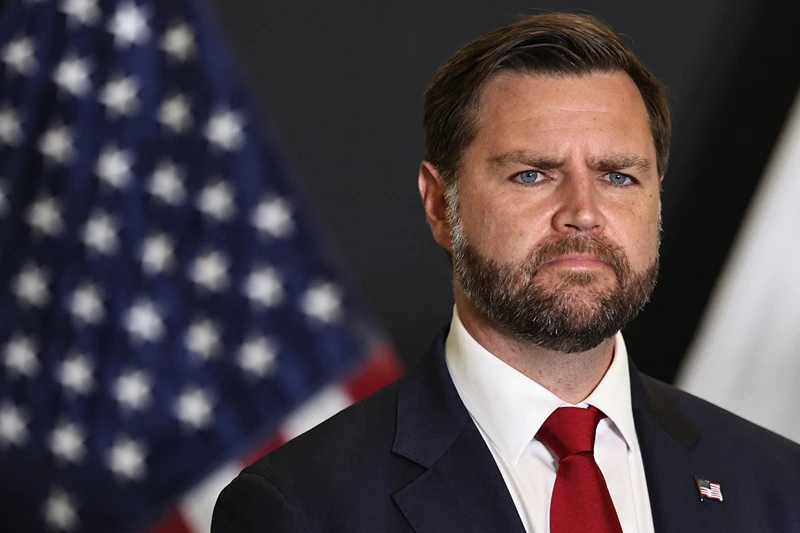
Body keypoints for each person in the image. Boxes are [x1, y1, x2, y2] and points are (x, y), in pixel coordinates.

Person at [211, 13, 800, 533]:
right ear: (440, 205)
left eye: (619, 176)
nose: (584, 212)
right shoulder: (301, 509)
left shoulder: (779, 484)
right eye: (532, 174)